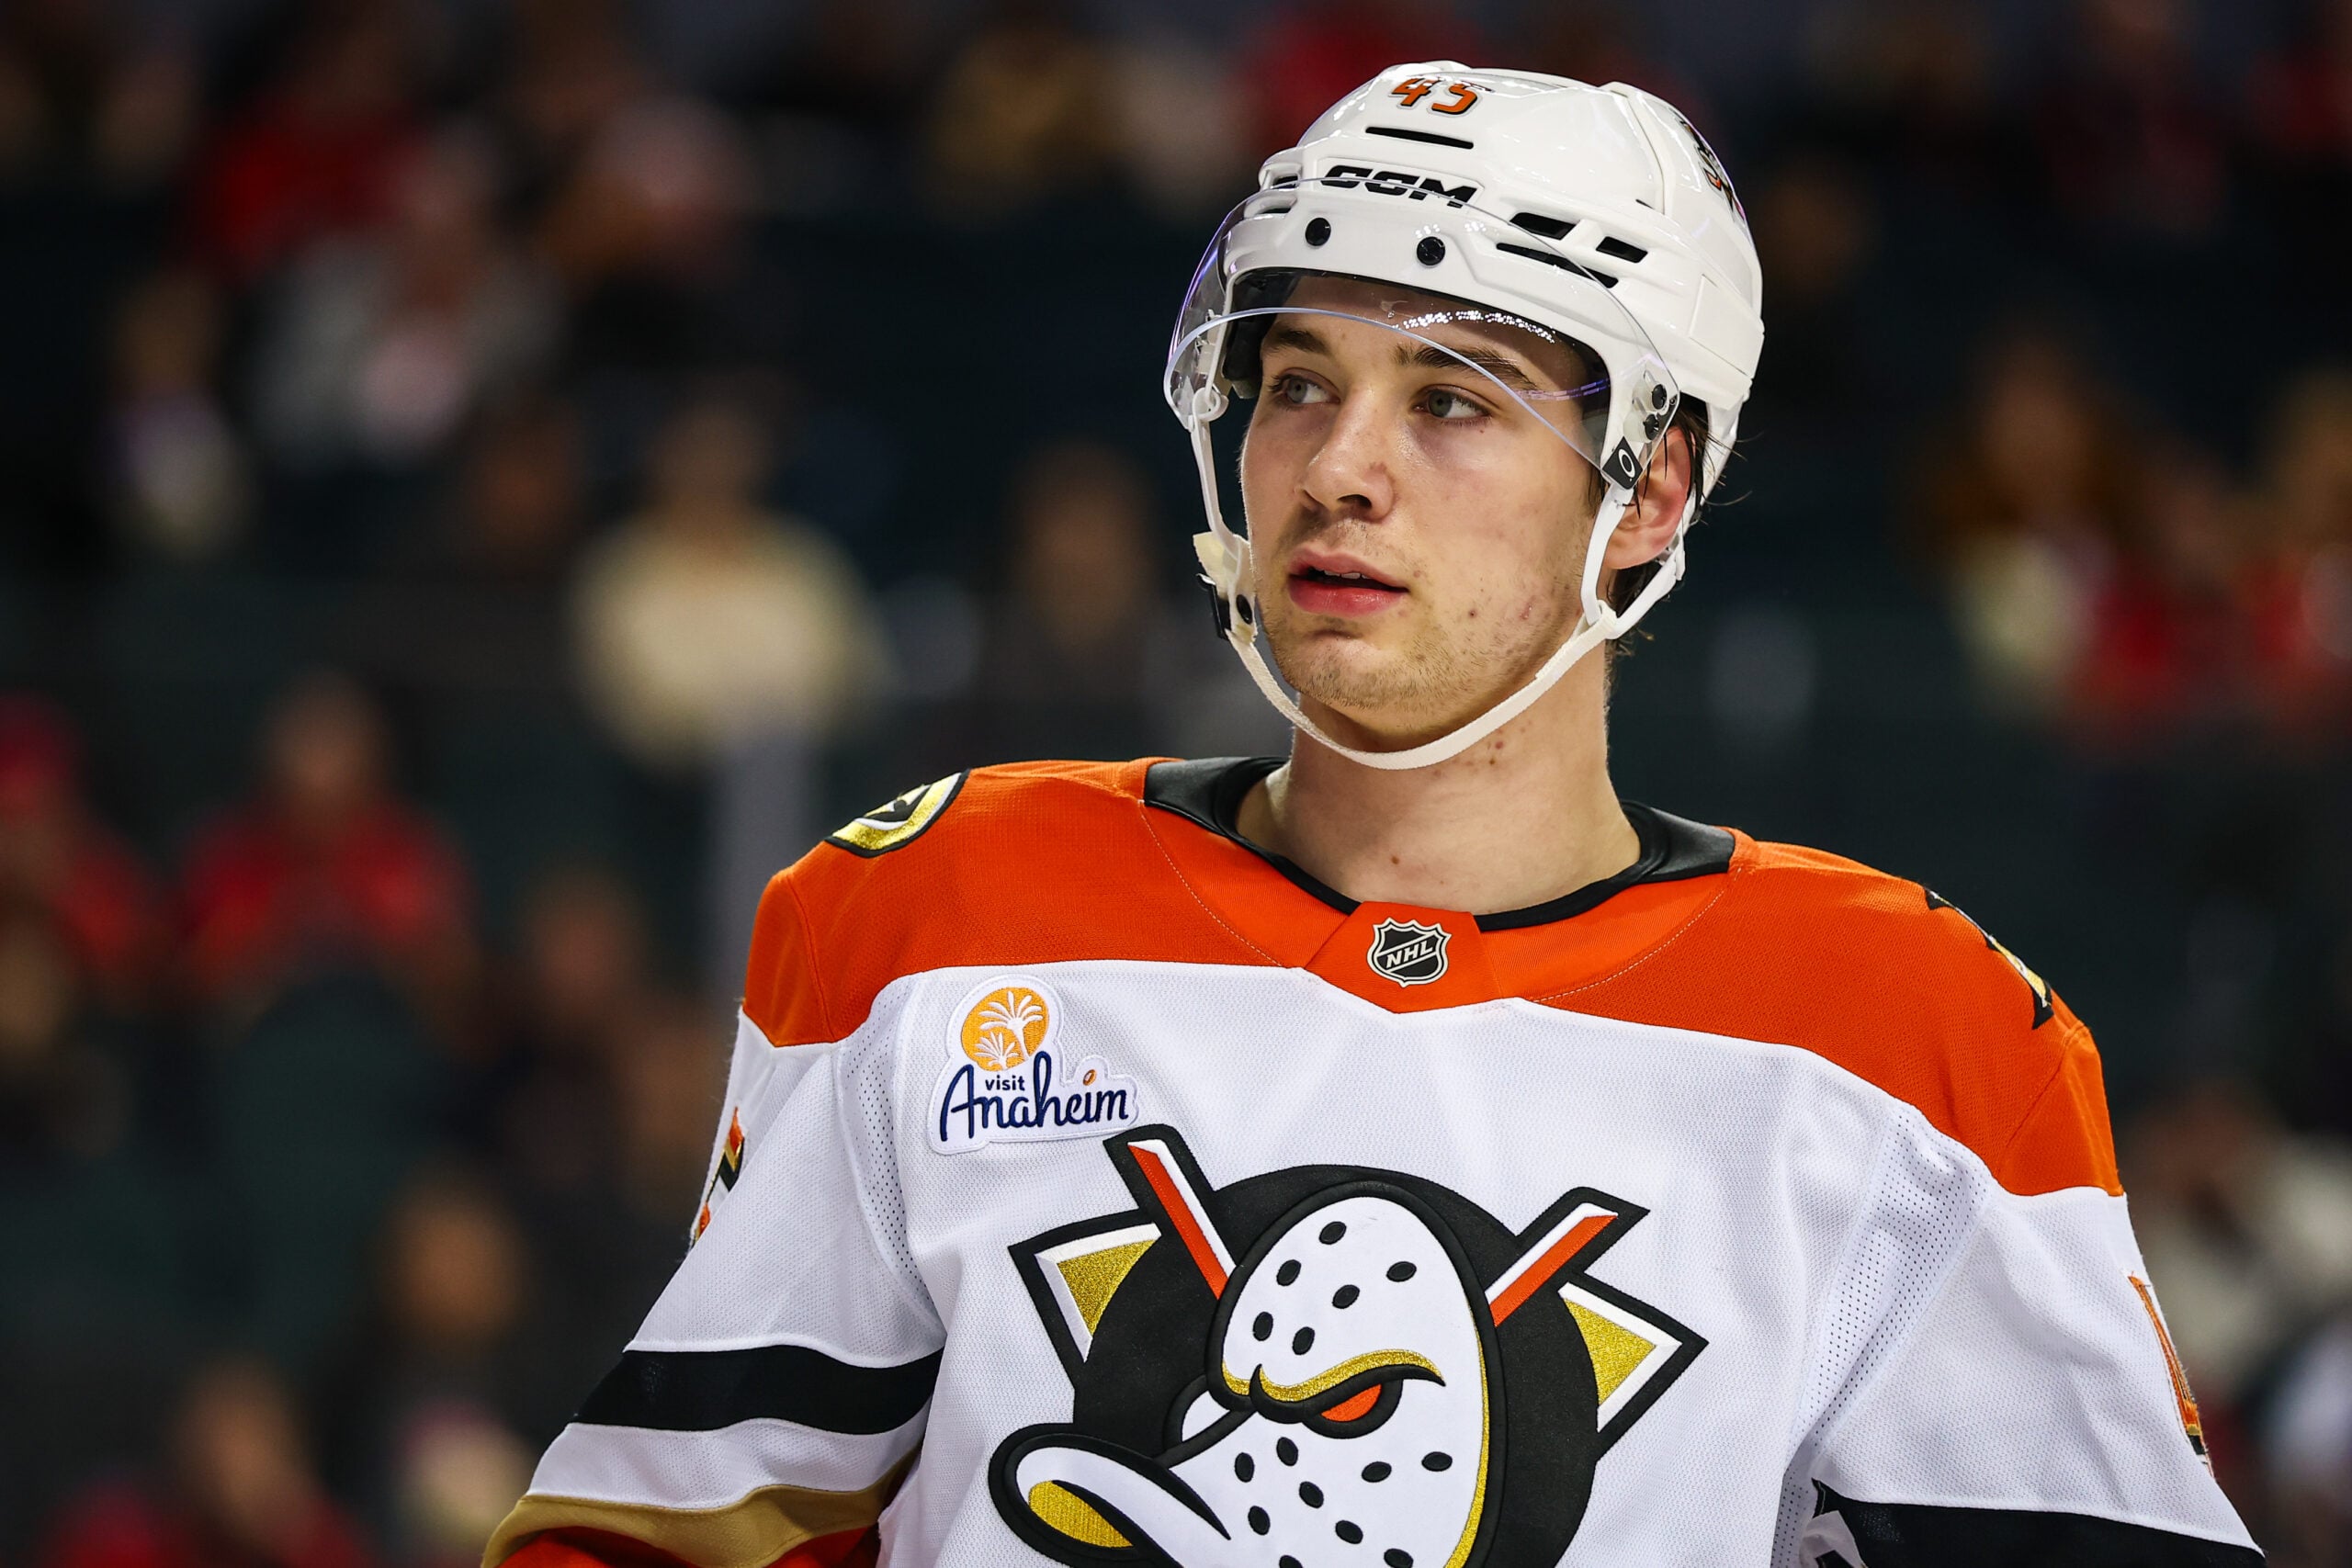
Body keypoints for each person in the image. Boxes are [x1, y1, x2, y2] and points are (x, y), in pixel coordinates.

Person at [485, 65, 2260, 1565]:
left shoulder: (1913, 1047)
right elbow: (659, 1538)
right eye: (1302, 381)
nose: (1338, 464)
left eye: (1454, 400)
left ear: (1646, 487)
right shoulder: (949, 911)